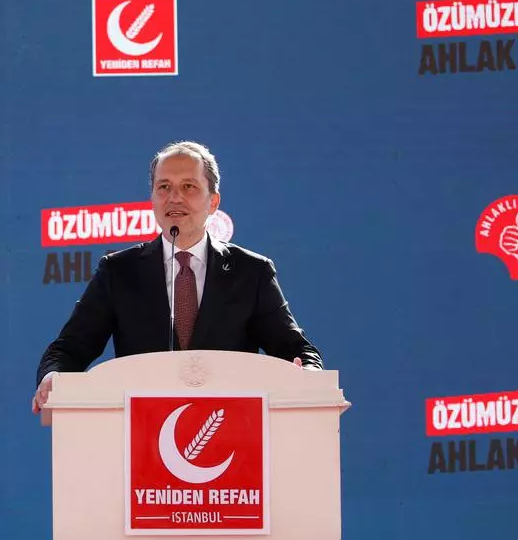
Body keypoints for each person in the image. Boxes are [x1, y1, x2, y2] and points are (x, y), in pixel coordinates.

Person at [33, 141, 322, 413]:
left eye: (189, 186)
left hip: (232, 432)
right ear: (152, 198)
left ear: (213, 201)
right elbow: (69, 349)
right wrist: (53, 375)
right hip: (140, 434)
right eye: (164, 187)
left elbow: (295, 349)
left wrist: (308, 373)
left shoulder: (251, 272)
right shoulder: (119, 271)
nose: (174, 198)